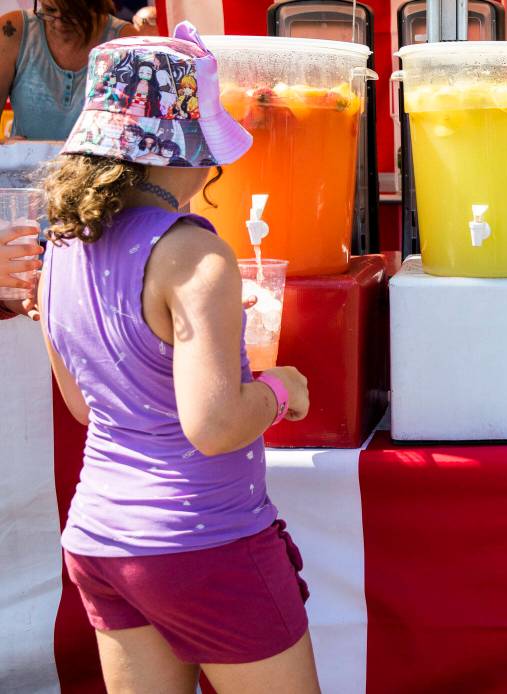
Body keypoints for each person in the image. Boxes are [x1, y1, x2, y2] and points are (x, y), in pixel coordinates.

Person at [39, 24, 319, 693]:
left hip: (100, 540)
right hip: (202, 543)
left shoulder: (60, 251)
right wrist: (279, 389)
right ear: (182, 148)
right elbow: (214, 424)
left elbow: (84, 405)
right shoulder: (196, 253)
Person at [0, 0, 136, 141]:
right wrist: (5, 148)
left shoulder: (125, 42)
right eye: (50, 10)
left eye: (72, 15)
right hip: (25, 162)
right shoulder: (14, 30)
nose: (59, 24)